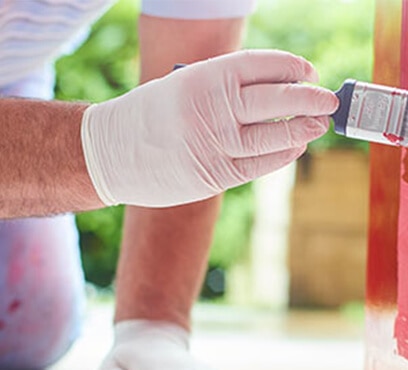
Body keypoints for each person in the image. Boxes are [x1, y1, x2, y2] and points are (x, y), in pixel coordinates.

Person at [0, 1, 339, 369]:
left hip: (14, 65)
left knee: (28, 323)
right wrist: (100, 149)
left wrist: (151, 327)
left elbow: (189, 88)